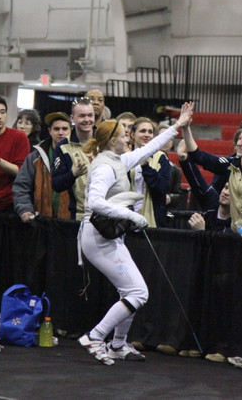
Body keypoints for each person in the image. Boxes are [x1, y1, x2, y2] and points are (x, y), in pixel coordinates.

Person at [77, 102, 194, 365]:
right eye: (124, 136)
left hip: (107, 236)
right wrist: (130, 214)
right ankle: (95, 337)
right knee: (138, 293)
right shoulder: (105, 167)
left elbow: (149, 149)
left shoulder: (116, 160)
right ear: (112, 141)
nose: (128, 139)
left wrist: (178, 125)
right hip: (96, 237)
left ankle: (118, 344)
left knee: (130, 292)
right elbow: (94, 202)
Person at [182, 120, 242, 244]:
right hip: (236, 235)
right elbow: (199, 157)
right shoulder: (231, 165)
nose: (239, 143)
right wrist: (185, 128)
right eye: (239, 139)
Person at [14, 112, 73, 221]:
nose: (60, 132)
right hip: (41, 220)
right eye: (56, 129)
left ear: (71, 131)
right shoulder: (35, 157)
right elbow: (21, 186)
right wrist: (25, 210)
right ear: (50, 131)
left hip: (71, 221)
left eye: (65, 129)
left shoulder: (79, 156)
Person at [51, 97, 97, 219]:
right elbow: (56, 184)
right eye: (82, 116)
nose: (87, 120)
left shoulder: (104, 140)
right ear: (72, 119)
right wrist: (73, 174)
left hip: (108, 212)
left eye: (90, 115)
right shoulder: (63, 146)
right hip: (80, 214)